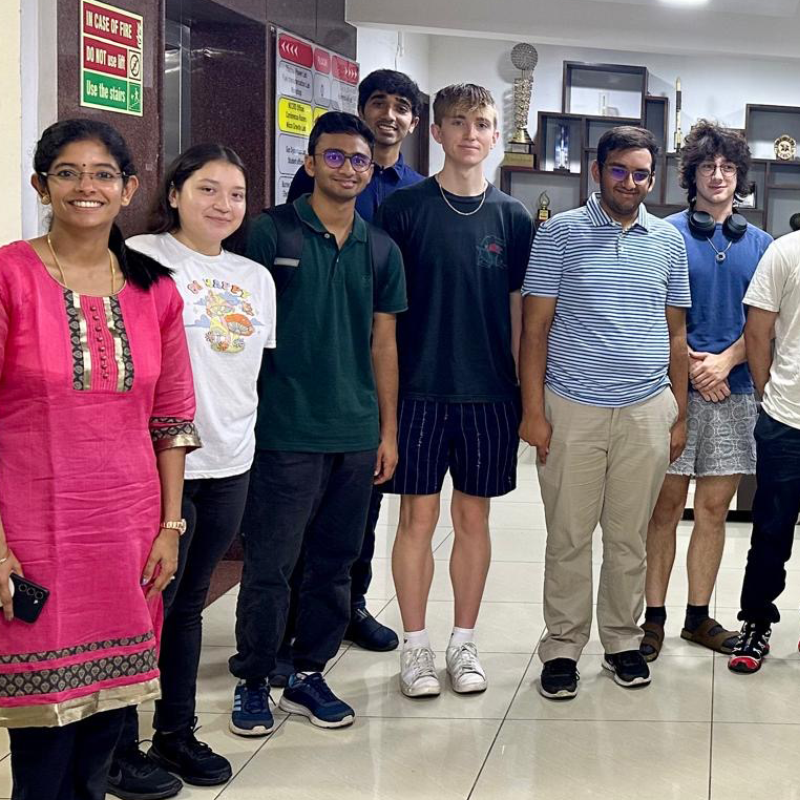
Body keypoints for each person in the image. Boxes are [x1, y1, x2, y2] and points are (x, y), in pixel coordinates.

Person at [0, 119, 199, 800]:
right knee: (42, 739)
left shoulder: (156, 291)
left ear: (129, 189)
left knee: (105, 730)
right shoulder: (10, 276)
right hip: (32, 535)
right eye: (67, 172)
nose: (86, 186)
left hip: (128, 535)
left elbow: (172, 421)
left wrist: (169, 528)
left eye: (103, 174)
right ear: (41, 186)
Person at [228, 111, 406, 735]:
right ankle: (254, 678)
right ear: (309, 163)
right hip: (283, 429)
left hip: (354, 434)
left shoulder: (380, 248)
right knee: (272, 563)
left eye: (358, 160)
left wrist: (387, 431)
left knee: (335, 563)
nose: (347, 169)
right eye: (334, 156)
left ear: (371, 170)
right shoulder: (269, 233)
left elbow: (384, 344)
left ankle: (308, 672)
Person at [108, 145, 276, 799]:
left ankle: (174, 732)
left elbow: (247, 371)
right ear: (174, 193)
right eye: (208, 189)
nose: (223, 204)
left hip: (230, 459)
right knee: (139, 605)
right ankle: (117, 747)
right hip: (155, 464)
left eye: (235, 193)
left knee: (188, 604)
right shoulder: (139, 259)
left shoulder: (253, 277)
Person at [519, 126, 690, 699]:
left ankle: (621, 640)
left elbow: (676, 334)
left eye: (641, 174)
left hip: (646, 409)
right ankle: (563, 646)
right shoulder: (560, 234)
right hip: (572, 407)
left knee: (628, 537)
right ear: (598, 172)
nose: (630, 182)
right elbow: (535, 329)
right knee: (569, 534)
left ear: (652, 179)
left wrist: (679, 413)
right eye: (620, 170)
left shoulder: (668, 241)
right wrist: (533, 411)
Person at [376, 84, 533, 698]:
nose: (472, 133)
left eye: (483, 123)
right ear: (437, 132)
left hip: (489, 393)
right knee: (417, 518)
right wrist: (385, 409)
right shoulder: (404, 209)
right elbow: (384, 317)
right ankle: (415, 646)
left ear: (496, 136)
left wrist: (523, 394)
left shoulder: (513, 217)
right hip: (418, 390)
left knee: (474, 517)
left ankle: (463, 642)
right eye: (459, 122)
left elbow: (521, 313)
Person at [281, 69, 424, 663]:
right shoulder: (324, 175)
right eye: (378, 103)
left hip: (385, 357)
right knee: (302, 509)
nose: (389, 114)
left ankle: (350, 605)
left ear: (414, 122)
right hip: (318, 358)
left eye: (401, 106)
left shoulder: (419, 190)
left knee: (364, 501)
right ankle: (288, 620)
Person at [641, 122, 772, 662]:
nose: (717, 176)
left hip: (734, 391)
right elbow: (649, 311)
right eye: (707, 167)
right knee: (664, 508)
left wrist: (726, 360)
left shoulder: (762, 245)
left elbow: (767, 323)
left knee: (713, 509)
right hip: (670, 393)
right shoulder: (663, 234)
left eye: (728, 168)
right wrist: (692, 366)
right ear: (691, 175)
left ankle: (698, 617)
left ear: (739, 177)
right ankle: (652, 619)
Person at [726, 230, 800, 674]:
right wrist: (765, 391)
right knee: (771, 531)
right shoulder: (786, 251)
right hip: (787, 418)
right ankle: (756, 623)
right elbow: (757, 330)